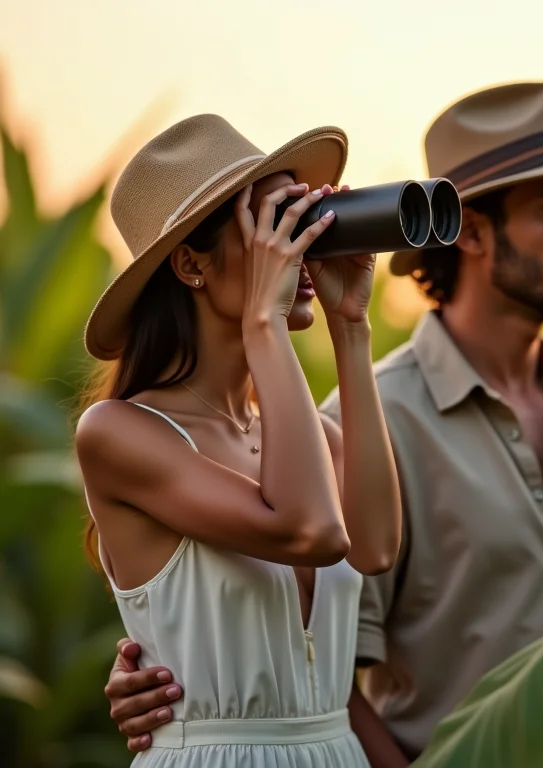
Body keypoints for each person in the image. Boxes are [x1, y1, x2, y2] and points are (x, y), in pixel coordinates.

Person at [101, 84, 543, 767]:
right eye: (276, 223)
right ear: (470, 231)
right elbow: (316, 564)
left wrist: (351, 325)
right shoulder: (364, 418)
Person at [75, 113, 401, 768]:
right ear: (191, 262)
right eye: (275, 223)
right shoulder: (119, 432)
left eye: (307, 217)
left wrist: (351, 327)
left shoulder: (313, 438)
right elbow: (312, 532)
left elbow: (375, 547)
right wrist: (264, 321)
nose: (301, 245)